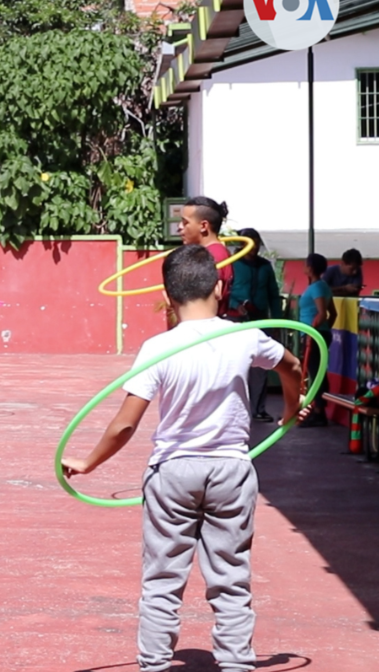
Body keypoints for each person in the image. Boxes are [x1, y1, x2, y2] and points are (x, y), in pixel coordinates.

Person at [62, 244, 305, 672]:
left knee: (162, 580)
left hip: (173, 471)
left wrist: (88, 462)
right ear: (218, 285)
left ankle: (155, 664)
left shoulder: (159, 346)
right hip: (231, 469)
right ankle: (236, 663)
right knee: (231, 579)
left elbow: (124, 424)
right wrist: (290, 410)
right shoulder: (244, 335)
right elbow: (293, 367)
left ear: (167, 294)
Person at [229, 228, 282, 423]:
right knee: (235, 363)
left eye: (257, 243)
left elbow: (273, 295)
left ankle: (258, 409)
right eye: (250, 243)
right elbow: (224, 289)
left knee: (261, 365)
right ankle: (234, 408)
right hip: (236, 318)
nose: (254, 248)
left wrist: (277, 320)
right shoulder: (231, 264)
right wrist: (235, 305)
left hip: (260, 317)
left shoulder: (265, 266)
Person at [178, 196, 239, 319]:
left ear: (203, 226)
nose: (179, 227)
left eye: (185, 222)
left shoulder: (213, 255)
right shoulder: (214, 252)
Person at [299, 253, 337, 427]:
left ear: (311, 268)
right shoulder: (321, 286)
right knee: (317, 373)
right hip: (318, 334)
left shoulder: (316, 288)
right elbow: (332, 314)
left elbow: (323, 314)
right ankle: (317, 408)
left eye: (306, 264)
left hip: (313, 335)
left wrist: (313, 333)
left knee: (316, 374)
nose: (304, 267)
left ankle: (318, 412)